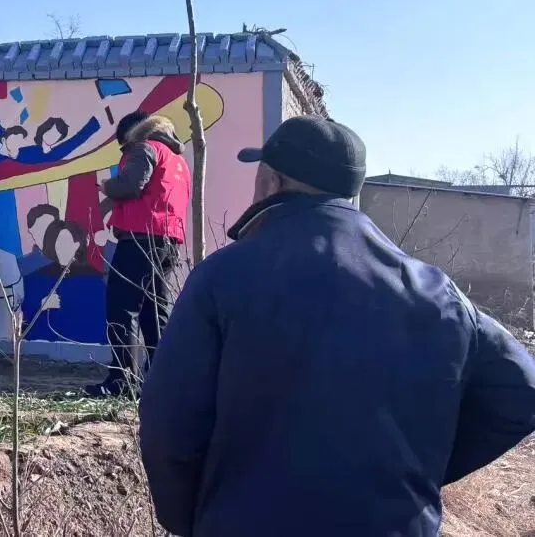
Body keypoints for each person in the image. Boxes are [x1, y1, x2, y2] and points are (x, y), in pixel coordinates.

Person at [138, 116, 535, 537]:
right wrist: (415, 472)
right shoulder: (437, 293)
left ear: (271, 181)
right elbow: (522, 390)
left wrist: (187, 518)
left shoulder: (223, 276)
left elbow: (169, 423)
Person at [85, 111, 189, 398]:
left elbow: (130, 185)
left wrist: (106, 186)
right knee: (155, 312)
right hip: (168, 240)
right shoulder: (177, 160)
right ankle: (161, 379)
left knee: (122, 307)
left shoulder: (145, 149)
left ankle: (122, 380)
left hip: (139, 238)